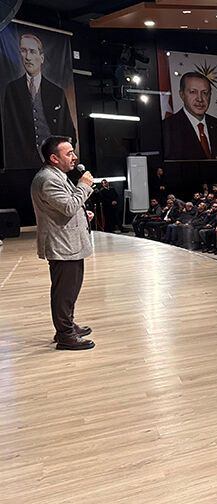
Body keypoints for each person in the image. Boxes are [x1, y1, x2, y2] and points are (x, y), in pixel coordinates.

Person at [29, 136, 95, 350]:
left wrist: (83, 215)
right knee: (64, 292)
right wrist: (84, 186)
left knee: (70, 289)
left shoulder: (58, 175)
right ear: (54, 158)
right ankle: (65, 335)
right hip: (62, 245)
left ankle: (68, 325)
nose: (74, 157)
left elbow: (65, 207)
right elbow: (68, 207)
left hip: (70, 243)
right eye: (69, 153)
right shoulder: (48, 179)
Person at [3, 34, 77, 169]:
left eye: (32, 51)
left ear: (41, 57)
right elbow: (8, 133)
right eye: (23, 50)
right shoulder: (12, 89)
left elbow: (69, 131)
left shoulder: (57, 92)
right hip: (22, 164)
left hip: (54, 163)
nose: (27, 57)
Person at [162, 72, 217, 160]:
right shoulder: (168, 127)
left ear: (210, 95)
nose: (200, 99)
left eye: (205, 93)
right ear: (182, 95)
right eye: (193, 92)